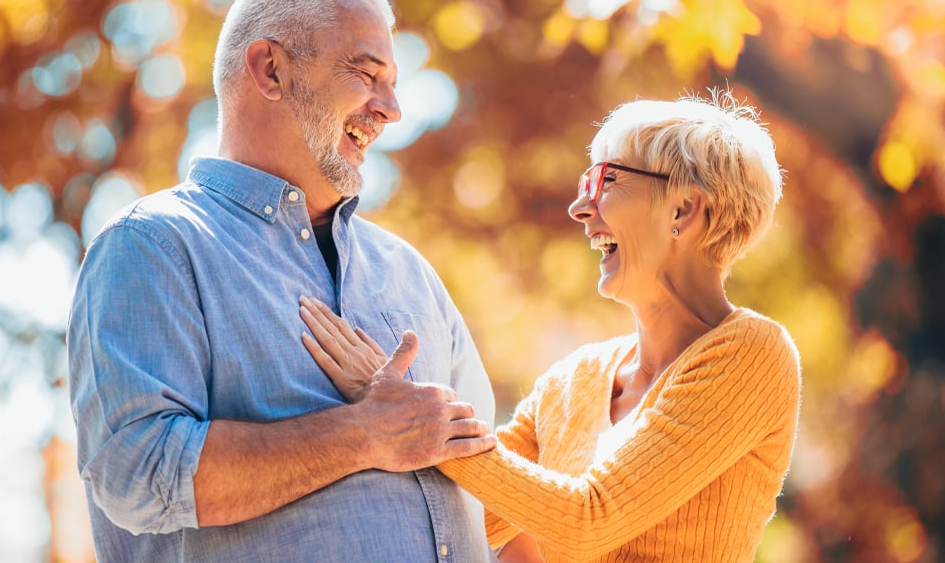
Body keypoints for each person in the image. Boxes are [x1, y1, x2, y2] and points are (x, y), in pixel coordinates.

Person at [66, 0, 499, 562]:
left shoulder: (409, 272)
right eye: (366, 73)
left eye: (393, 83)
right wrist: (363, 434)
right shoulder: (153, 247)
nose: (391, 109)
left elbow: (498, 508)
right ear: (270, 69)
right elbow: (139, 475)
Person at [299, 93, 802, 563]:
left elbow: (589, 519)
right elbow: (467, 513)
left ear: (684, 209)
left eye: (604, 181)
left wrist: (419, 418)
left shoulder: (752, 353)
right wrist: (366, 427)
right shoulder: (573, 379)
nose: (579, 208)